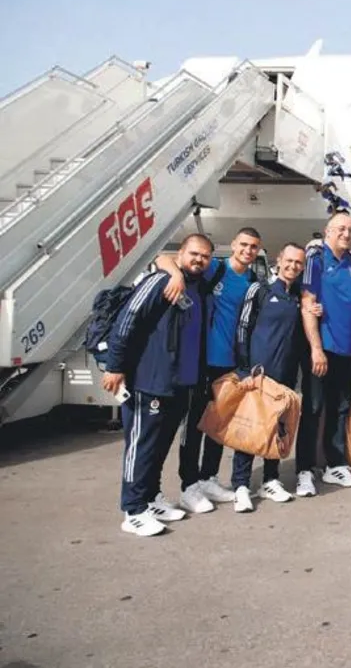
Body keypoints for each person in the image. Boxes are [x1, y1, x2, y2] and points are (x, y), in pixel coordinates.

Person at [102, 234, 212, 536]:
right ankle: (133, 509)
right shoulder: (160, 281)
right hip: (150, 381)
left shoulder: (198, 286)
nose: (199, 260)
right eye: (194, 253)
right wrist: (114, 366)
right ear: (181, 253)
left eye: (205, 256)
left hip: (179, 384)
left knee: (159, 446)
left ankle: (150, 498)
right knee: (141, 446)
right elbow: (128, 320)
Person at [155, 228, 263, 512]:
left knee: (219, 425)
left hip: (230, 364)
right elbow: (162, 258)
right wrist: (175, 274)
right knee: (194, 425)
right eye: (243, 244)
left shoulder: (253, 281)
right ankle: (189, 486)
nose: (248, 251)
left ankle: (208, 478)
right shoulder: (215, 267)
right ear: (234, 245)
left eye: (254, 247)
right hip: (202, 361)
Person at [229, 243, 308, 511]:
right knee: (251, 428)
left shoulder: (298, 296)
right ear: (279, 260)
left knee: (277, 428)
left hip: (285, 376)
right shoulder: (260, 290)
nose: (293, 266)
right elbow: (242, 329)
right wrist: (245, 370)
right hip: (258, 374)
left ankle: (270, 479)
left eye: (298, 263)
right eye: (289, 261)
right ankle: (241, 485)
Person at [298, 212, 351, 492]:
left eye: (350, 230)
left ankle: (334, 465)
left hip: (346, 350)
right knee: (313, 409)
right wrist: (316, 349)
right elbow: (307, 304)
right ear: (327, 231)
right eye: (341, 229)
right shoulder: (316, 259)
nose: (346, 234)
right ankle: (304, 470)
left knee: (340, 409)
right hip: (322, 348)